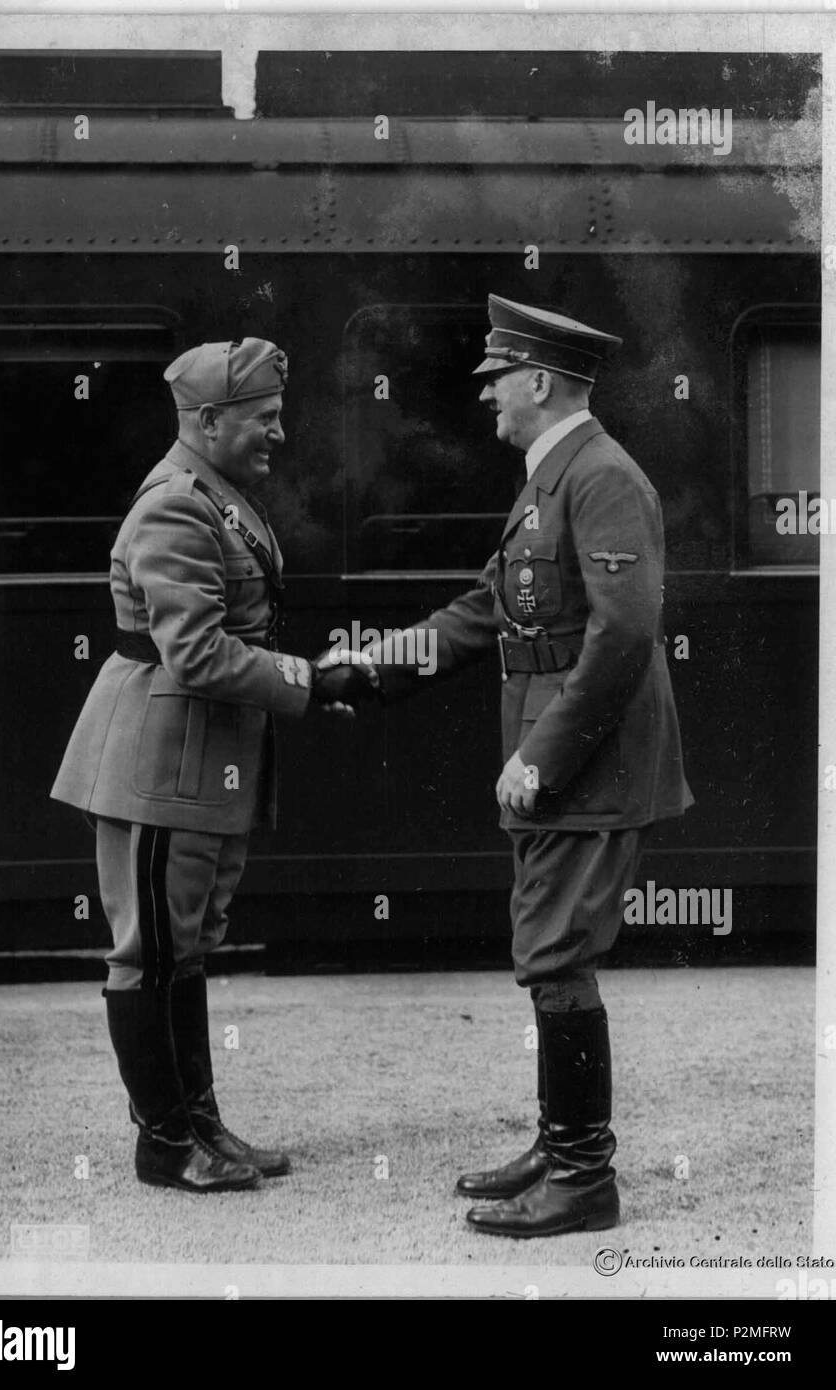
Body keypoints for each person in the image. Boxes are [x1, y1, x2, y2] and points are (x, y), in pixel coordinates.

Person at [339, 295, 693, 1236]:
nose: (485, 395)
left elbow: (622, 636)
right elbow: (484, 611)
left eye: (496, 379)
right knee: (548, 954)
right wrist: (372, 666)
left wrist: (540, 755)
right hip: (561, 757)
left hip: (587, 760)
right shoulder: (554, 474)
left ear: (538, 381)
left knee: (556, 955)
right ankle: (558, 1144)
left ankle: (582, 1178)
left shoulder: (601, 476)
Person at [51, 338, 376, 1194]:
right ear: (208, 420)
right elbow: (194, 652)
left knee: (184, 945)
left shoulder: (218, 496)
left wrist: (306, 678)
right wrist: (310, 680)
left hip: (201, 756)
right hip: (161, 761)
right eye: (263, 418)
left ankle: (197, 1123)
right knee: (150, 950)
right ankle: (163, 1144)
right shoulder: (175, 506)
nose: (279, 432)